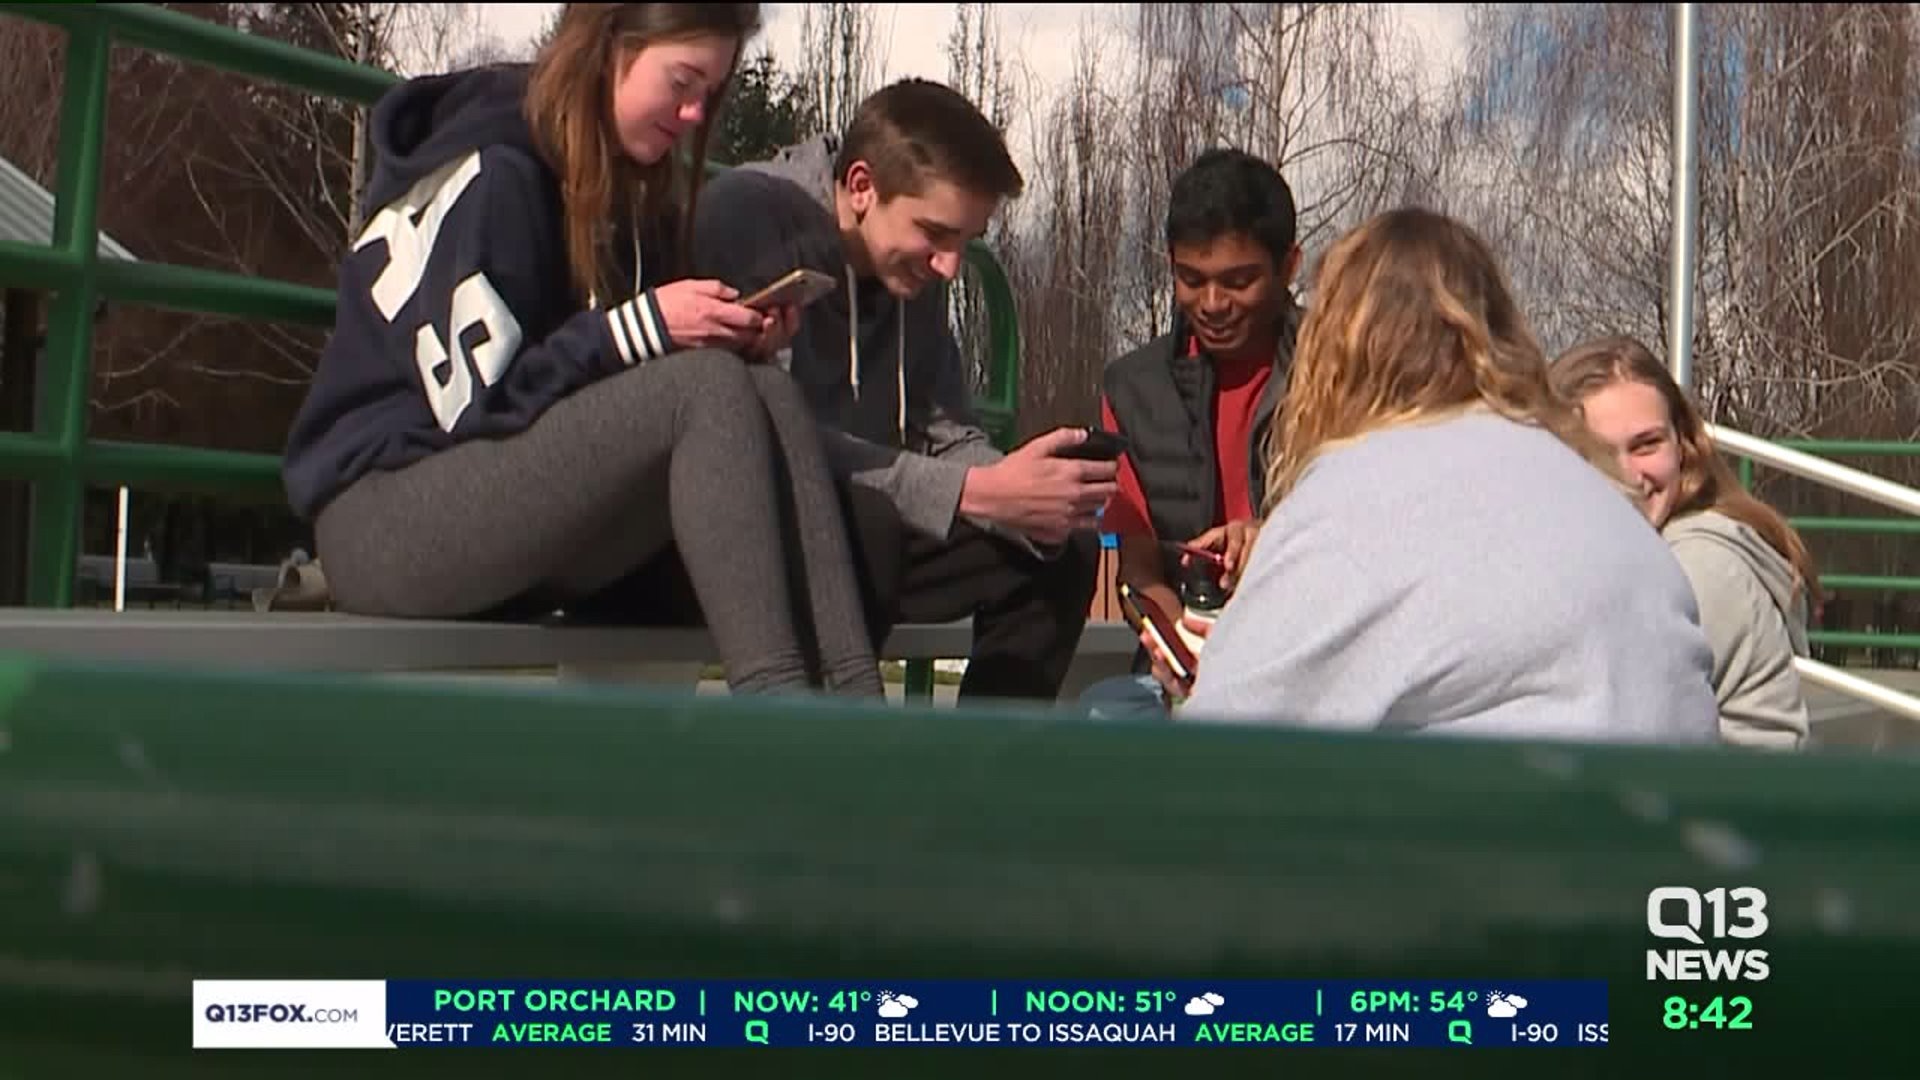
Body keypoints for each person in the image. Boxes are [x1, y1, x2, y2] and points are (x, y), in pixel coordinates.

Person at [281, 3, 885, 698]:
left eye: (710, 94)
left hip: (510, 514)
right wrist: (642, 328)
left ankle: (855, 715)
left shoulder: (626, 185)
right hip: (387, 515)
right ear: (610, 48)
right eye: (682, 83)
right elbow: (476, 409)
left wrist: (733, 336)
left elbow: (607, 401)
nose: (695, 114)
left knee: (763, 388)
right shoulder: (497, 169)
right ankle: (782, 718)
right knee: (707, 391)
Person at [1142, 207, 1721, 744]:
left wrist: (1201, 684)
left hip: (1520, 818)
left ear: (1333, 354)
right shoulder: (1603, 498)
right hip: (1660, 813)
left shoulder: (1352, 504)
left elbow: (1222, 754)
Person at [690, 78, 1109, 703]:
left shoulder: (911, 271)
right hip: (751, 527)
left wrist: (1019, 486)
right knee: (871, 525)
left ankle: (984, 763)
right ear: (862, 186)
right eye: (935, 233)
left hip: (875, 523)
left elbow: (946, 430)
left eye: (965, 242)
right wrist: (974, 492)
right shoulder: (755, 216)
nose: (949, 265)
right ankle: (830, 751)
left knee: (1060, 548)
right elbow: (766, 436)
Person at [1078, 148, 1305, 720]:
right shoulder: (1131, 389)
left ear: (1290, 266)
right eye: (1191, 279)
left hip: (1310, 663)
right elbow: (1138, 570)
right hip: (1180, 673)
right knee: (1101, 718)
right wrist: (1185, 649)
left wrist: (1272, 540)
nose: (1213, 304)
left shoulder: (1343, 374)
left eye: (1239, 281)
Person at [1552, 336, 1815, 749]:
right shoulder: (1631, 554)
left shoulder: (1696, 566)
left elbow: (1615, 728)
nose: (1627, 475)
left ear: (1683, 446)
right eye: (1595, 452)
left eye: (1646, 444)